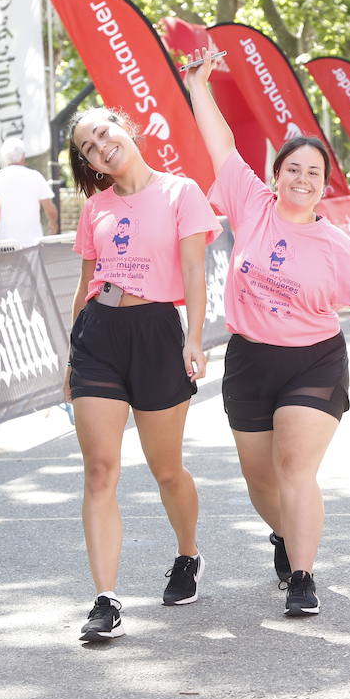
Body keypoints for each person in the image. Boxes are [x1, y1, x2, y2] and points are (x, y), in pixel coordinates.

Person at [185, 47, 350, 617]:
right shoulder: (251, 205)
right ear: (276, 175)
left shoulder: (335, 245)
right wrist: (200, 85)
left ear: (324, 185)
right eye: (292, 169)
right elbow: (221, 146)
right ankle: (285, 534)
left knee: (294, 467)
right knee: (260, 481)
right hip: (250, 361)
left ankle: (303, 575)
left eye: (313, 173)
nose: (302, 179)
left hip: (313, 363)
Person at [65, 106, 221, 643]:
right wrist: (71, 353)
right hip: (99, 337)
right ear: (89, 163)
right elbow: (85, 284)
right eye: (88, 147)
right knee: (100, 471)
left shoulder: (181, 193)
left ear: (126, 130)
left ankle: (188, 554)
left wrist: (195, 338)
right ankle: (106, 600)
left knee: (167, 470)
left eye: (103, 133)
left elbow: (196, 271)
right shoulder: (94, 209)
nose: (100, 146)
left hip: (157, 333)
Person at [0, 136, 60, 247]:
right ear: (23, 157)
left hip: (4, 244)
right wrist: (53, 229)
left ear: (5, 158)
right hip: (32, 243)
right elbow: (50, 209)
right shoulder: (36, 176)